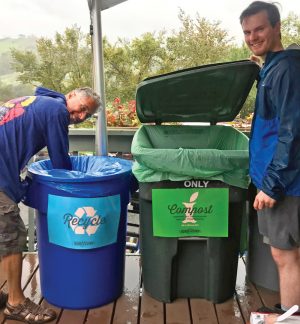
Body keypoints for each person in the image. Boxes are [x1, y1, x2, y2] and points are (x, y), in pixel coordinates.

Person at [0, 86, 100, 323]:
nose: (82, 117)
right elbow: (60, 162)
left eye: (88, 115)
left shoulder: (40, 102)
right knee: (12, 233)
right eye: (83, 108)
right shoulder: (57, 110)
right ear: (71, 96)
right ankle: (15, 304)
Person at [240, 1, 300, 323]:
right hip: (281, 179)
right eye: (247, 32)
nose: (253, 36)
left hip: (286, 183)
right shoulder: (277, 65)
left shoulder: (287, 68)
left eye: (260, 29)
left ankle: (290, 318)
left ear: (276, 26)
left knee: (284, 254)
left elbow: (292, 132)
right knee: (290, 253)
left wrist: (272, 184)